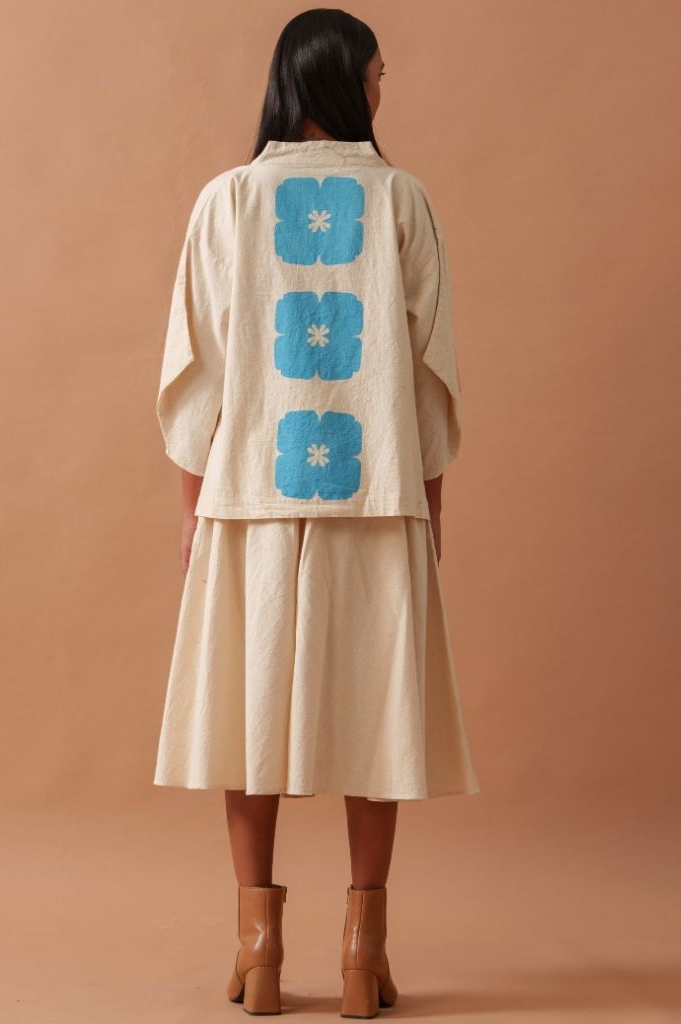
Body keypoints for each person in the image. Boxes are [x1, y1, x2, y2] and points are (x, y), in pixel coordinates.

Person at [152, 8, 480, 1018]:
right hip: (375, 501)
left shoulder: (227, 201)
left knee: (246, 718)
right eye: (377, 72)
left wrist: (193, 509)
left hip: (251, 500)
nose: (383, 87)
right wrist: (428, 507)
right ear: (340, 79)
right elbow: (428, 374)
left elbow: (194, 368)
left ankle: (258, 951)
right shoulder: (404, 200)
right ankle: (360, 956)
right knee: (376, 722)